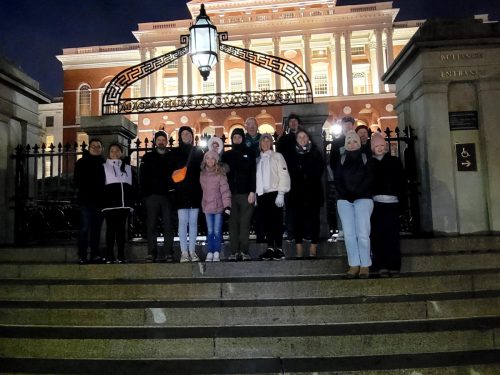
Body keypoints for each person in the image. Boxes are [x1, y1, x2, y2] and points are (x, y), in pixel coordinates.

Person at [334, 130, 374, 278]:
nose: (352, 144)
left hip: (363, 198)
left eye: (355, 141)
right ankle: (354, 264)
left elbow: (370, 177)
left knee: (363, 233)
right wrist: (346, 193)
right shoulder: (341, 159)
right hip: (344, 200)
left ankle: (365, 265)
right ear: (346, 144)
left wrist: (357, 192)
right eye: (349, 142)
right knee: (349, 234)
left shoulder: (365, 158)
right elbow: (337, 179)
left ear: (359, 143)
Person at [370, 133, 405, 277]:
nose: (379, 148)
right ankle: (381, 265)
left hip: (392, 203)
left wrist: (402, 202)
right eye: (376, 146)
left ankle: (394, 265)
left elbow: (401, 182)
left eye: (381, 145)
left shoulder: (394, 161)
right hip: (376, 204)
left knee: (392, 236)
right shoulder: (370, 162)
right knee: (378, 236)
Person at [288, 129, 325, 259]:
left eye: (304, 137)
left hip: (313, 192)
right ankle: (298, 246)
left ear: (308, 138)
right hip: (296, 193)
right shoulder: (292, 154)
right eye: (299, 137)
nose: (302, 139)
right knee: (297, 220)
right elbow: (290, 173)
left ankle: (313, 246)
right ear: (296, 139)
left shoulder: (315, 153)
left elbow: (319, 171)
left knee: (314, 220)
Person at [221, 128, 256, 261]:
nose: (237, 139)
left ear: (243, 138)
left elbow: (253, 173)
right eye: (234, 137)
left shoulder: (250, 153)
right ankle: (234, 251)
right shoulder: (227, 155)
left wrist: (252, 191)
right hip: (230, 195)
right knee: (233, 224)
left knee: (245, 224)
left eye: (239, 137)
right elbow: (222, 174)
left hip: (246, 194)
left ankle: (244, 251)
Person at [139, 130, 175, 262]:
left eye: (163, 140)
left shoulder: (171, 156)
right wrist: (144, 195)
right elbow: (142, 177)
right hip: (152, 196)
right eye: (159, 140)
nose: (161, 142)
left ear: (166, 142)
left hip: (167, 196)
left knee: (168, 225)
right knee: (151, 225)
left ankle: (168, 252)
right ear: (155, 142)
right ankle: (151, 252)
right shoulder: (147, 157)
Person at [171, 126, 204, 263]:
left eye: (188, 133)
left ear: (192, 135)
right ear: (180, 136)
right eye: (183, 134)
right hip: (181, 192)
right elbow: (171, 173)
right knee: (183, 222)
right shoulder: (174, 152)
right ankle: (184, 252)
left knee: (193, 223)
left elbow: (203, 169)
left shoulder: (198, 151)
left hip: (195, 191)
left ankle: (192, 251)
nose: (186, 136)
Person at [256, 133, 291, 260]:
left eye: (267, 141)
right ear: (260, 144)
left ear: (271, 143)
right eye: (263, 141)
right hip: (262, 194)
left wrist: (281, 193)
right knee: (266, 223)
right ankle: (270, 247)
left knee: (276, 221)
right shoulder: (258, 159)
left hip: (274, 193)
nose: (265, 144)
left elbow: (283, 174)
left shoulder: (277, 156)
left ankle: (280, 248)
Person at [74, 138, 105, 264]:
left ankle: (95, 254)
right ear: (89, 148)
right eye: (94, 146)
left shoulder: (104, 163)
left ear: (102, 149)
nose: (96, 148)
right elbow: (77, 181)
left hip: (99, 202)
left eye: (98, 146)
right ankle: (82, 255)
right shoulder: (81, 162)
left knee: (96, 229)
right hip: (86, 201)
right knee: (85, 228)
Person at [102, 143, 134, 263]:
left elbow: (131, 187)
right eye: (112, 151)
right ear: (109, 154)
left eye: (117, 151)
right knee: (110, 231)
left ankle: (121, 255)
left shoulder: (128, 168)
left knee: (121, 231)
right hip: (109, 206)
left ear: (121, 152)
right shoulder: (104, 167)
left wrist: (130, 204)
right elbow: (101, 187)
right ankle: (109, 255)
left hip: (123, 205)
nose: (114, 153)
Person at [200, 150, 232, 262]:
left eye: (212, 158)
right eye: (207, 158)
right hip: (207, 207)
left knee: (217, 231)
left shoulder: (220, 174)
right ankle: (210, 251)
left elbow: (225, 191)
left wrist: (227, 206)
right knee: (210, 231)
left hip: (218, 207)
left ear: (216, 161)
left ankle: (217, 251)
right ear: (205, 160)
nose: (210, 160)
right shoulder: (202, 174)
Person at [329, 116, 356, 241]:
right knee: (341, 204)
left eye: (350, 125)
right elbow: (332, 161)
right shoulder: (337, 142)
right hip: (342, 179)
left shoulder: (357, 140)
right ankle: (341, 229)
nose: (348, 127)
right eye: (345, 125)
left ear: (353, 126)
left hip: (356, 179)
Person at [277, 113, 303, 240]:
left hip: (301, 177)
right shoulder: (283, 139)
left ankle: (302, 231)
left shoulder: (304, 137)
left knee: (302, 205)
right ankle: (290, 230)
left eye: (295, 121)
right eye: (291, 121)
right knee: (289, 205)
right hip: (288, 176)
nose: (293, 123)